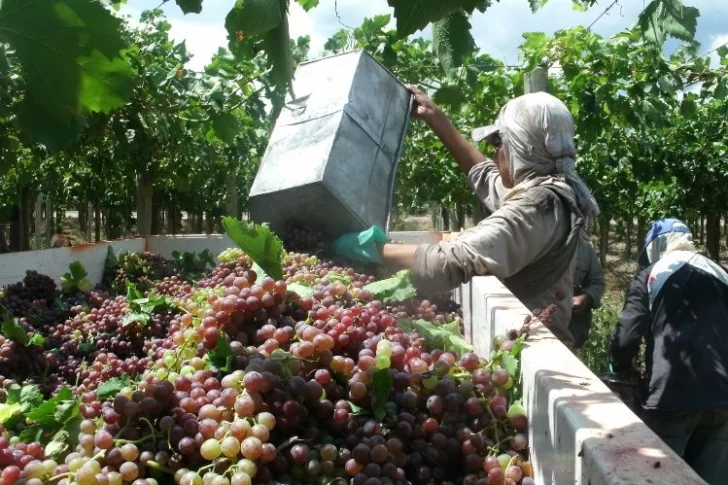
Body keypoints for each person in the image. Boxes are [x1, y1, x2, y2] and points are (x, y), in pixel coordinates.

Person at [335, 87, 599, 348]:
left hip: (533, 349)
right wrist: (436, 117)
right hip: (529, 340)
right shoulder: (553, 191)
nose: (495, 154)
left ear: (520, 148)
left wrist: (372, 249)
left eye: (498, 144)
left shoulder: (540, 204)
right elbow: (486, 177)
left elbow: (450, 261)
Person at [609, 218, 728, 485]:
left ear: (657, 246)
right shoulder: (721, 273)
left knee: (657, 476)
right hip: (724, 396)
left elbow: (627, 335)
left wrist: (619, 365)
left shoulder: (652, 274)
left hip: (672, 396)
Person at [569, 241, 605, 349]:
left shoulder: (585, 249)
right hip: (538, 326)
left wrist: (585, 298)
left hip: (572, 330)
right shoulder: (538, 240)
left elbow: (597, 283)